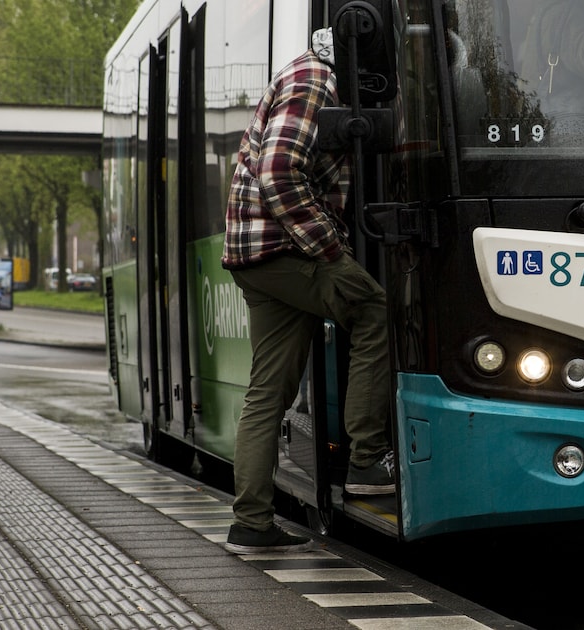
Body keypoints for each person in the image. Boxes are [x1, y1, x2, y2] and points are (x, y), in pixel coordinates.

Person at [220, 27, 394, 555]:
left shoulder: (306, 73)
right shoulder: (314, 80)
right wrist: (330, 250)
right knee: (373, 310)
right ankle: (367, 461)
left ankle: (252, 521)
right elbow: (277, 173)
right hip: (285, 249)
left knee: (268, 392)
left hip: (260, 255)